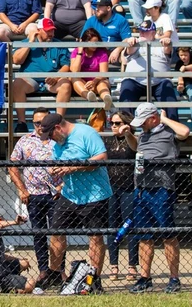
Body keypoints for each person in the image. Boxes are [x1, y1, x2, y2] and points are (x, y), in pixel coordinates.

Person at [35, 113, 112, 293]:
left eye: (51, 135)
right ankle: (54, 274)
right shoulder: (58, 143)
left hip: (95, 195)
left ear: (58, 128)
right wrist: (57, 171)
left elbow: (101, 157)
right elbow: (61, 164)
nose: (51, 140)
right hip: (70, 194)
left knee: (95, 237)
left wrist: (73, 167)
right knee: (56, 232)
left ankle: (94, 279)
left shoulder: (86, 133)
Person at [128, 103, 190, 294]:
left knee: (167, 234)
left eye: (144, 121)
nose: (141, 125)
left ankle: (174, 278)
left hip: (162, 189)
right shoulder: (144, 134)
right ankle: (145, 277)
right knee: (144, 235)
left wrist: (163, 118)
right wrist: (127, 135)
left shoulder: (168, 132)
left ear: (153, 118)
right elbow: (136, 147)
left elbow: (185, 132)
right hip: (142, 189)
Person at [9, 108, 59, 277]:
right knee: (38, 234)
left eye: (44, 122)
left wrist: (63, 186)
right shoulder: (24, 141)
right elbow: (13, 165)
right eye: (37, 123)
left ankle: (58, 270)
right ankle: (44, 270)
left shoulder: (59, 140)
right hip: (33, 195)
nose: (40, 126)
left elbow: (72, 163)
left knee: (57, 235)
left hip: (56, 194)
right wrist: (22, 190)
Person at [105, 110, 139, 281]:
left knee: (129, 226)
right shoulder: (108, 141)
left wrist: (127, 133)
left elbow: (135, 147)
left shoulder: (132, 139)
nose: (113, 126)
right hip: (112, 188)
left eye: (117, 123)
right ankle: (113, 264)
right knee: (112, 226)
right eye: (112, 123)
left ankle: (132, 265)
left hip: (129, 188)